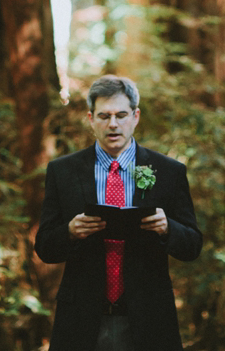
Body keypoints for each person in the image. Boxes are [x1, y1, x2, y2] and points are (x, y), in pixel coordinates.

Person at [34, 75, 202, 351]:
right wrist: (70, 232)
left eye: (121, 115)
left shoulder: (169, 171)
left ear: (135, 117)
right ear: (90, 119)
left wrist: (167, 227)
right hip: (82, 320)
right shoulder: (63, 171)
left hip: (149, 319)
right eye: (104, 116)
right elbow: (44, 247)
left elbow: (193, 246)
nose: (113, 124)